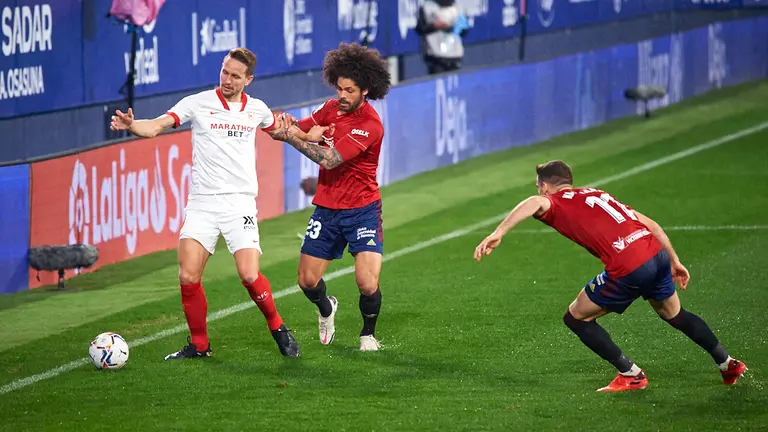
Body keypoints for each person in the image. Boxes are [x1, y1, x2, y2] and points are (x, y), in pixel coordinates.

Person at [473, 160, 747, 392]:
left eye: (539, 185)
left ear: (545, 185)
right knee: (675, 314)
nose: (538, 190)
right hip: (655, 254)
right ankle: (727, 363)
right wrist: (674, 260)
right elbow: (650, 224)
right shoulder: (598, 194)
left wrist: (499, 232)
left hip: (628, 265)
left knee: (576, 317)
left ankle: (631, 375)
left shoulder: (553, 201)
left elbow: (534, 203)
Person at [109, 47, 300, 360]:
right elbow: (156, 126)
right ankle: (199, 345)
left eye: (235, 76)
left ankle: (278, 327)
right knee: (188, 276)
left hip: (239, 205)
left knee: (249, 275)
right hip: (202, 203)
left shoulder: (258, 110)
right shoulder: (197, 103)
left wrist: (308, 132)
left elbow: (282, 131)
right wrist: (132, 125)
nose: (227, 79)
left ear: (248, 80)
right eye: (225, 71)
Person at [271, 42, 391, 351]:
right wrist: (278, 126)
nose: (342, 95)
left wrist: (290, 139)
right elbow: (302, 129)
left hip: (362, 209)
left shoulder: (370, 125)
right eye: (339, 88)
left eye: (349, 90)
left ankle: (367, 334)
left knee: (366, 281)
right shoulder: (331, 108)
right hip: (327, 208)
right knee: (306, 281)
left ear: (365, 90)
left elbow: (330, 159)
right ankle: (327, 308)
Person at [415, 0, 468, 75]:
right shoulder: (427, 7)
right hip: (435, 57)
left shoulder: (458, 7)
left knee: (454, 83)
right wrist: (435, 26)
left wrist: (452, 27)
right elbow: (420, 29)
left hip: (454, 56)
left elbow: (464, 31)